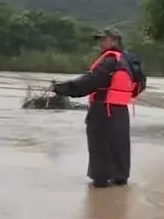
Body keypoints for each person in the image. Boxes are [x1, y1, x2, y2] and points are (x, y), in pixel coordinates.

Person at [53, 28, 144, 188]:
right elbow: (141, 83)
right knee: (119, 145)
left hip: (103, 110)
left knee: (99, 145)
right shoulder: (129, 60)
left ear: (115, 41)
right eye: (100, 40)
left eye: (104, 40)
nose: (101, 43)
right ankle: (120, 179)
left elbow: (90, 81)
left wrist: (63, 88)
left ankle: (100, 182)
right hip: (121, 111)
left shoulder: (109, 60)